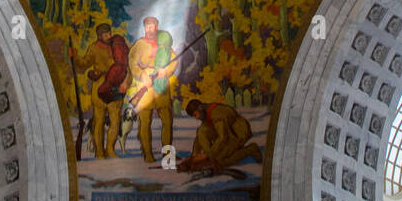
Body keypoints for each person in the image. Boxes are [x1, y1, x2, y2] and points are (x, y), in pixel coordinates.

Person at [73, 23, 130, 159]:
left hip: (115, 85)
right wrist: (75, 56)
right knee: (98, 121)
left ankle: (110, 149)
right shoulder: (93, 48)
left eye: (110, 34)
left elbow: (125, 65)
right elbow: (83, 64)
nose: (109, 37)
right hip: (99, 86)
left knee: (115, 121)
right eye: (105, 35)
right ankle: (99, 152)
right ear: (99, 36)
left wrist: (125, 81)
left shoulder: (116, 46)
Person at [128, 16, 176, 163]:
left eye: (153, 26)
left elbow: (174, 60)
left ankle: (168, 155)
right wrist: (142, 75)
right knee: (145, 122)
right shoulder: (139, 45)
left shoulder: (164, 43)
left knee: (167, 121)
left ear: (157, 27)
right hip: (145, 86)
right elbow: (132, 63)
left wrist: (165, 71)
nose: (151, 29)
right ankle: (147, 154)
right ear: (145, 28)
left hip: (161, 85)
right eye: (148, 26)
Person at [178, 99, 262, 174]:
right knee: (202, 131)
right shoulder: (207, 113)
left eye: (195, 115)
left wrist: (208, 155)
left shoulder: (217, 114)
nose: (196, 118)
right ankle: (209, 158)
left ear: (200, 108)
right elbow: (200, 136)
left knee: (220, 160)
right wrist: (194, 155)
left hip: (237, 133)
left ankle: (251, 149)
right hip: (226, 132)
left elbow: (223, 138)